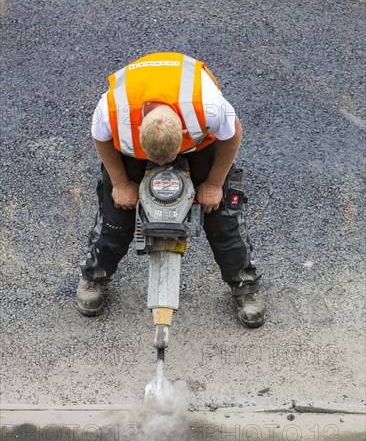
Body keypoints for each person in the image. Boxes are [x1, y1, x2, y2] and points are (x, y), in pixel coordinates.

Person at [77, 52, 266, 327]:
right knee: (116, 217)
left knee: (222, 216)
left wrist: (213, 184)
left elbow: (232, 134)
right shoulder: (112, 110)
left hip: (199, 144)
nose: (163, 166)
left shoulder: (209, 106)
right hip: (134, 146)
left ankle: (245, 287)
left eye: (170, 159)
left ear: (183, 134)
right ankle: (94, 277)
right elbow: (100, 137)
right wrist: (120, 184)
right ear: (138, 130)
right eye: (157, 162)